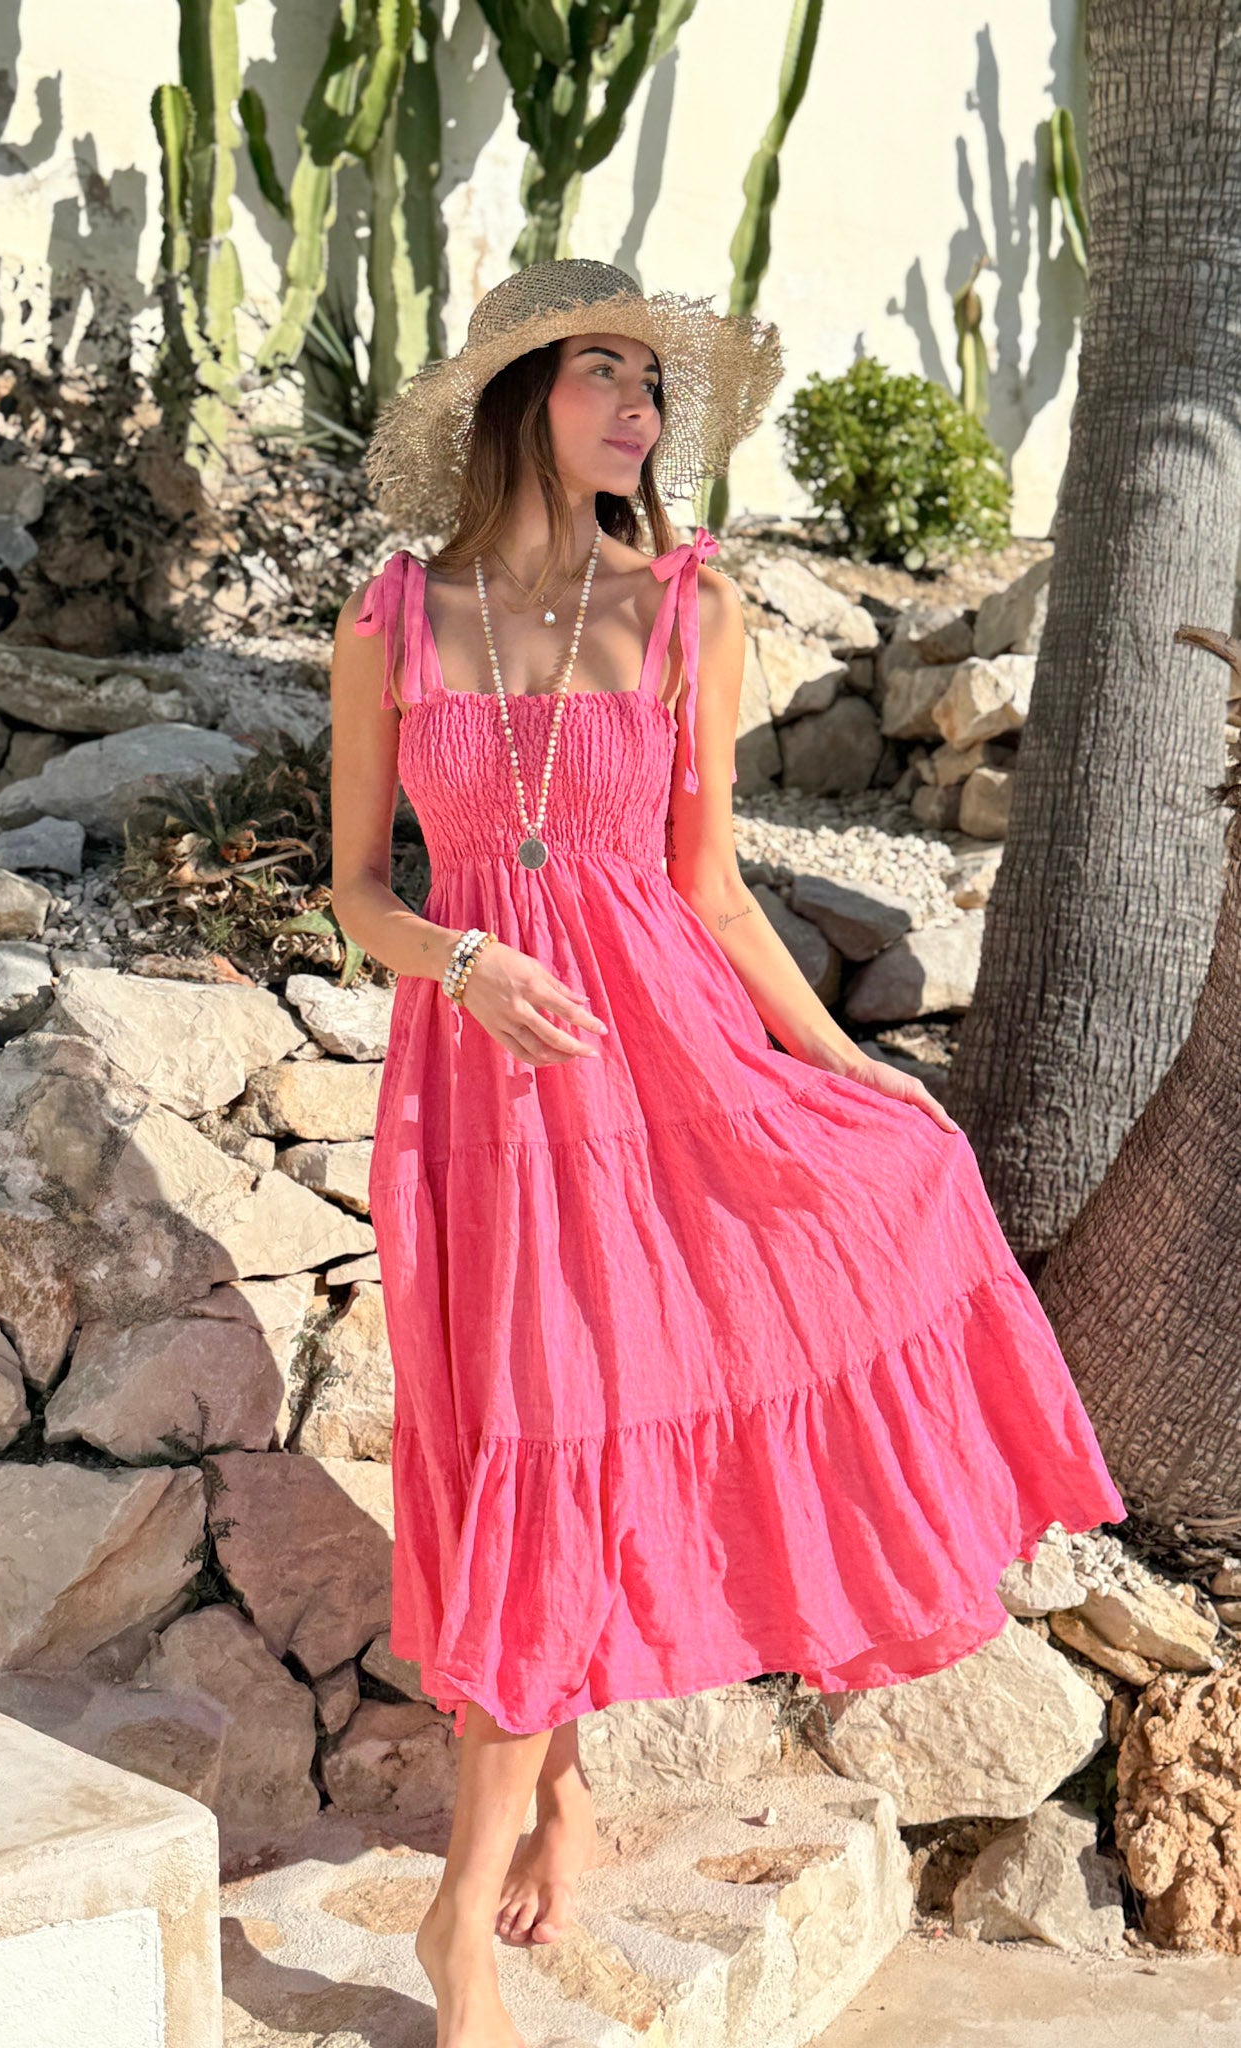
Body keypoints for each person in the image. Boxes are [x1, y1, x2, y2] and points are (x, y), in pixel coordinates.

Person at [329, 257, 1126, 2047]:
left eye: (653, 379)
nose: (640, 406)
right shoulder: (393, 617)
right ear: (517, 399)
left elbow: (708, 889)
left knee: (599, 1407)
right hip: (485, 1088)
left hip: (666, 1071)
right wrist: (464, 959)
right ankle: (537, 1812)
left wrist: (852, 1065)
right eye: (600, 372)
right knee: (530, 1431)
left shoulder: (693, 605)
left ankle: (463, 1913)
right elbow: (360, 891)